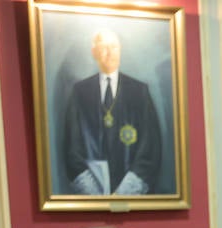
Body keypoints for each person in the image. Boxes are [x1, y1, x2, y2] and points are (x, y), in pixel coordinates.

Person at [59, 30, 163, 196]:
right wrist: (96, 194)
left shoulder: (139, 91)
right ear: (94, 53)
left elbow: (150, 148)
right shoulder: (80, 92)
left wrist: (124, 193)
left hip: (132, 192)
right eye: (103, 48)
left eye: (114, 47)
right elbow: (72, 150)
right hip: (92, 190)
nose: (109, 53)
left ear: (120, 50)